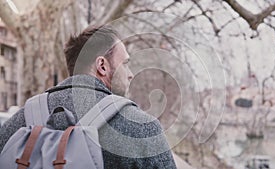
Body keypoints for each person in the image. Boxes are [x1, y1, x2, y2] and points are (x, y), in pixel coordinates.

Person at [0, 25, 177, 168]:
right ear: (102, 66)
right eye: (126, 64)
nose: (130, 74)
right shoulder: (141, 128)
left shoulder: (18, 122)